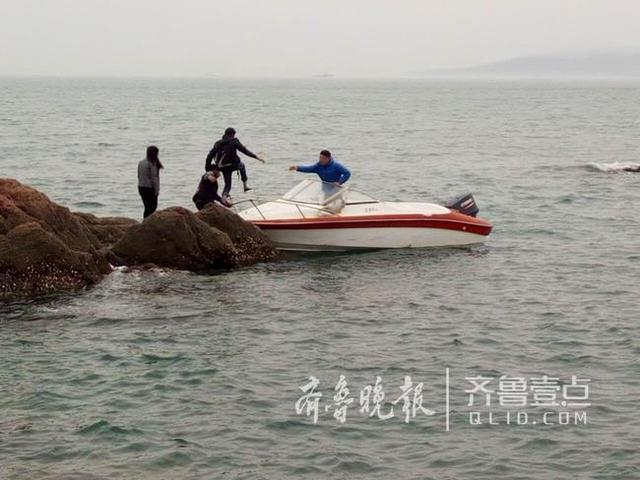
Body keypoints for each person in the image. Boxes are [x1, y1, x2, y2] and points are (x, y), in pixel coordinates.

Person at [205, 127, 264, 197]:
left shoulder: (218, 143)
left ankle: (224, 196)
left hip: (223, 167)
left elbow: (210, 156)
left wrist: (207, 168)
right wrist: (257, 157)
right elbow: (245, 151)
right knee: (242, 166)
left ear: (225, 134)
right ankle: (245, 186)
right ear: (233, 134)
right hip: (234, 165)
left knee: (227, 185)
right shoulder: (234, 141)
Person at [137, 145, 163, 218]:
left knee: (147, 207)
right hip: (149, 188)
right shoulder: (152, 164)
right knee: (152, 207)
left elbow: (138, 175)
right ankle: (147, 223)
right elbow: (154, 178)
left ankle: (145, 221)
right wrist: (157, 191)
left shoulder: (141, 162)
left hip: (141, 187)